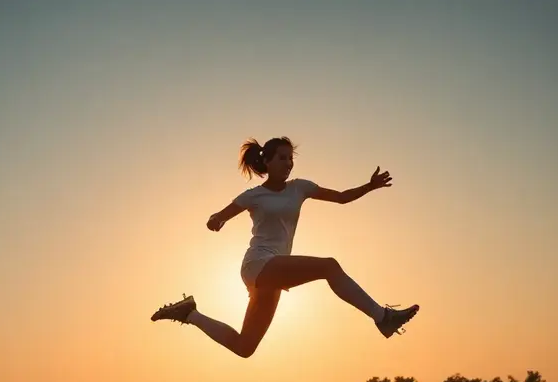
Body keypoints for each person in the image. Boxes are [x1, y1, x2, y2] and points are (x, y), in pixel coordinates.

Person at [150, 136, 419, 358]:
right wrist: (215, 220)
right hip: (258, 264)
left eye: (291, 158)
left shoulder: (299, 188)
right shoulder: (253, 195)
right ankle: (383, 317)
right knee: (329, 266)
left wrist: (369, 187)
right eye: (282, 158)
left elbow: (340, 198)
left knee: (245, 348)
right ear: (267, 161)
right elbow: (220, 215)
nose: (288, 163)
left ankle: (190, 314)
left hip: (273, 276)